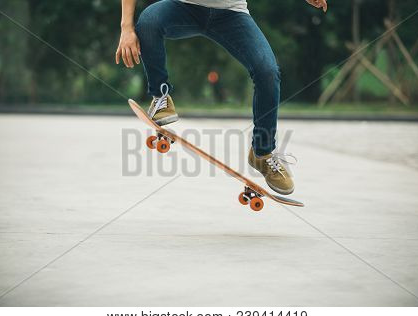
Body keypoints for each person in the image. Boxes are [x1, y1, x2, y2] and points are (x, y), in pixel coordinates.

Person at [116, 0, 328, 195]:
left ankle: (263, 153)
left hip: (231, 14)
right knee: (149, 22)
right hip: (183, 8)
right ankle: (161, 97)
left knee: (267, 72)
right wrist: (126, 28)